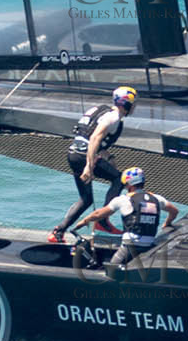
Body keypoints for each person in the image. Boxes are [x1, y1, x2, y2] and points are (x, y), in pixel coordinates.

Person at [51, 85, 137, 240]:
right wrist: (89, 167)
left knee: (86, 198)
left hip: (73, 154)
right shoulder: (114, 118)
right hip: (84, 157)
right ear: (126, 103)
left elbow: (91, 138)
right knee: (119, 179)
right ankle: (102, 220)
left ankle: (58, 232)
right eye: (133, 103)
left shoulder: (101, 110)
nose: (135, 106)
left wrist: (109, 157)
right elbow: (95, 138)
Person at [77, 166, 178, 270]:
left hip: (131, 246)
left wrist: (85, 220)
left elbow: (98, 214)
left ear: (129, 184)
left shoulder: (124, 199)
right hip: (149, 245)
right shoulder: (157, 198)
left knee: (111, 270)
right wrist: (167, 223)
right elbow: (174, 211)